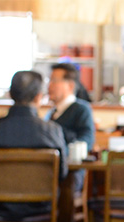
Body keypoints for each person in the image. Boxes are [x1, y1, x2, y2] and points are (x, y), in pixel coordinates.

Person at [0, 70, 68, 222]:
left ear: (11, 94)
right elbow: (61, 174)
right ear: (39, 97)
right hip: (40, 207)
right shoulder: (52, 131)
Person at [46, 62, 95, 191]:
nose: (49, 85)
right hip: (48, 168)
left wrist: (60, 154)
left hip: (70, 172)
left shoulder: (81, 109)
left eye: (54, 81)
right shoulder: (50, 112)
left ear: (70, 85)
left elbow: (86, 141)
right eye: (49, 80)